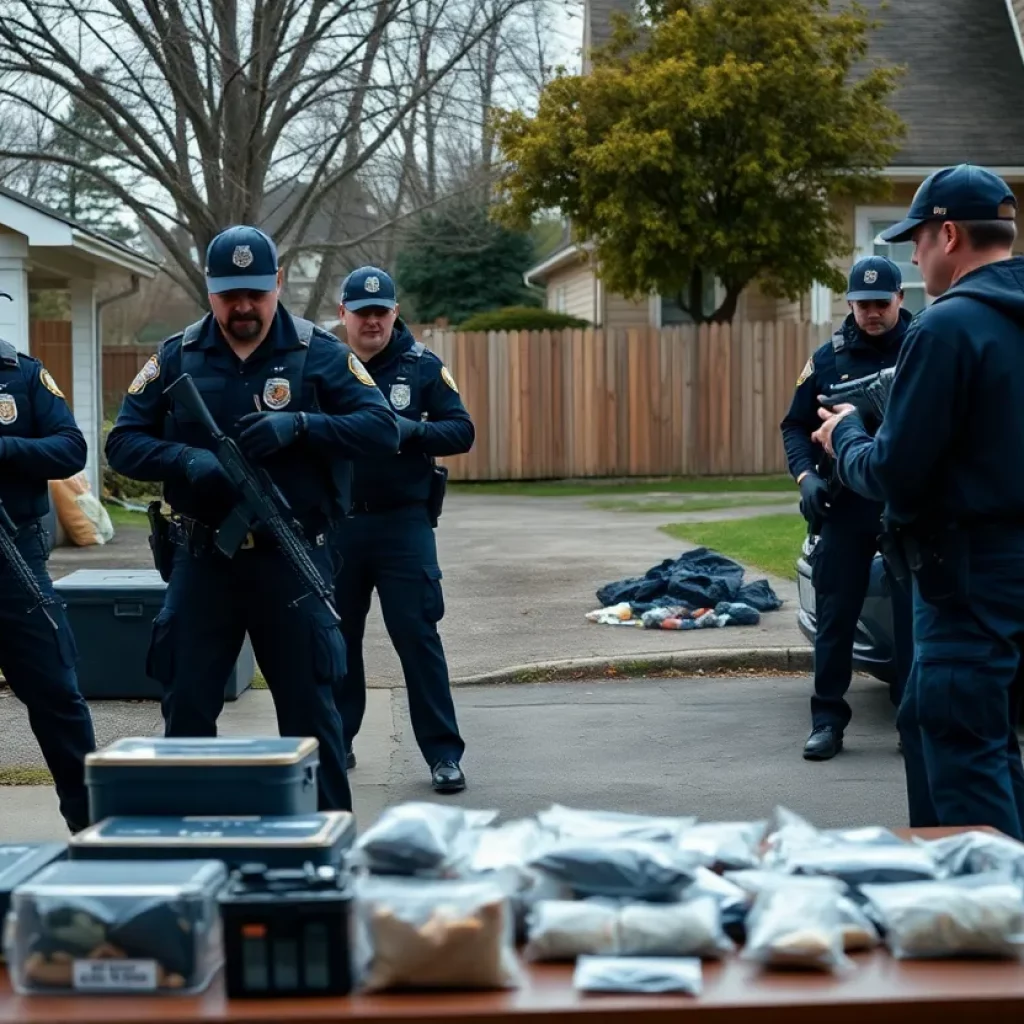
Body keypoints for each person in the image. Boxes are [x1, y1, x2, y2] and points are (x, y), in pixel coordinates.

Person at [105, 227, 400, 813]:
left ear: (278, 286)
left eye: (256, 294)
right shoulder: (176, 356)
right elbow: (123, 443)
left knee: (313, 717)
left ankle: (327, 856)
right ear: (210, 290)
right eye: (229, 294)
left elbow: (381, 428)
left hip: (290, 564)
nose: (243, 307)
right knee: (186, 709)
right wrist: (187, 460)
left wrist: (303, 426)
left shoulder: (320, 354)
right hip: (203, 562)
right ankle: (187, 850)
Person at [813, 163, 1024, 838]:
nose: (913, 255)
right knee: (991, 751)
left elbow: (897, 474)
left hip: (963, 580)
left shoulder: (946, 328)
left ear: (951, 234)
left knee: (960, 759)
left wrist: (844, 435)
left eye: (919, 239)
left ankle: (985, 928)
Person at [331, 267, 474, 794]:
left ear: (395, 313)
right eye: (361, 311)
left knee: (417, 638)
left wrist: (413, 431)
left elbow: (461, 431)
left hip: (403, 525)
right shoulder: (325, 366)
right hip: (339, 524)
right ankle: (337, 741)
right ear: (343, 312)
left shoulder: (421, 368)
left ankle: (443, 755)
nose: (372, 320)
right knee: (337, 641)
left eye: (381, 311)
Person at [781, 256, 913, 761]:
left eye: (882, 303)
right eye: (862, 305)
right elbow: (794, 424)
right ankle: (828, 721)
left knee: (913, 620)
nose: (872, 313)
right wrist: (806, 476)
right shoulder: (828, 360)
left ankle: (911, 719)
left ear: (901, 298)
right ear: (850, 304)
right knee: (835, 617)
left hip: (905, 505)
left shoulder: (925, 347)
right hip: (845, 504)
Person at [0, 291, 96, 833]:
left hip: (16, 561)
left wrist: (6, 450)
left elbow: (70, 449)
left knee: (58, 694)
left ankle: (94, 834)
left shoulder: (24, 376)